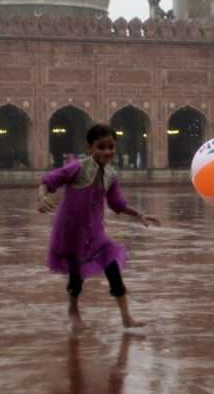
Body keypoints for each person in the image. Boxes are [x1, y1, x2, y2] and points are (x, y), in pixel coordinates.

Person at [38, 124, 159, 331]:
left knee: (112, 267)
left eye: (111, 147)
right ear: (90, 148)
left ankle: (126, 317)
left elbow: (117, 204)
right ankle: (73, 309)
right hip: (71, 230)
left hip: (95, 231)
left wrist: (139, 214)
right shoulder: (77, 167)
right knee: (76, 276)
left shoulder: (110, 174)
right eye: (101, 147)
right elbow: (48, 181)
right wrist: (42, 197)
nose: (107, 152)